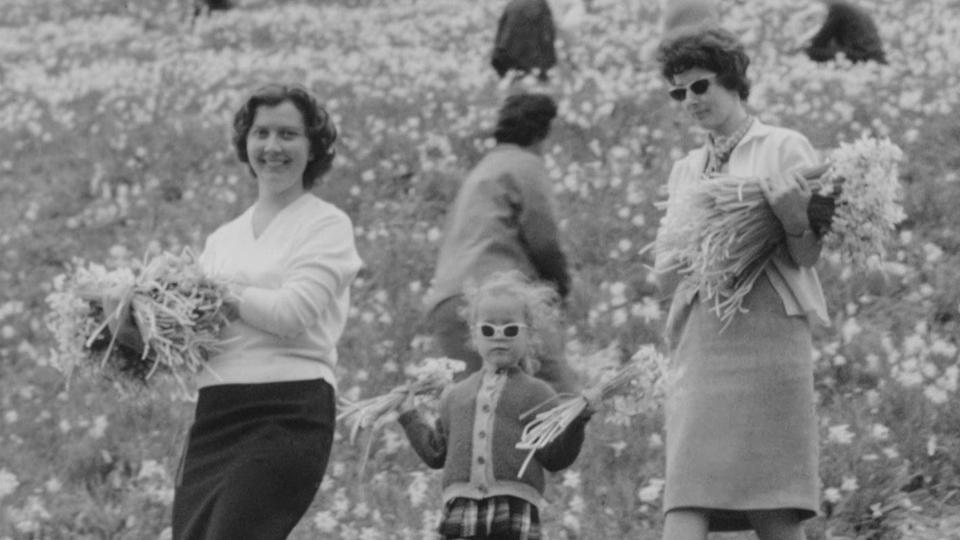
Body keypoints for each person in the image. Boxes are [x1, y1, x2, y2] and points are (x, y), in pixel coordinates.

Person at [653, 26, 829, 540]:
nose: (689, 100)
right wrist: (691, 248)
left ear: (732, 80)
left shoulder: (783, 147)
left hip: (768, 335)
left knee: (775, 505)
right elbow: (664, 273)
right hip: (702, 336)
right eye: (678, 92)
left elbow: (807, 255)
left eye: (699, 86)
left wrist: (792, 217)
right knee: (687, 490)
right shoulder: (686, 169)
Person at [171, 84, 363, 540]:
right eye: (261, 133)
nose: (272, 147)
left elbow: (292, 314)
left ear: (313, 145)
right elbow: (196, 333)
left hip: (287, 412)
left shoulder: (326, 224)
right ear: (246, 142)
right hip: (217, 412)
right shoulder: (222, 239)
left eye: (288, 134)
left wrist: (220, 293)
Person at [398, 271, 597, 540]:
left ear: (529, 335)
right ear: (474, 335)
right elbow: (435, 454)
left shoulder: (538, 394)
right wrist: (409, 415)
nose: (499, 336)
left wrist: (577, 422)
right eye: (488, 329)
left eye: (511, 329)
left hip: (514, 507)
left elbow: (555, 457)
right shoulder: (455, 396)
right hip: (461, 509)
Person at [423, 93, 578, 394]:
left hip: (448, 302)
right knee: (557, 396)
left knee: (475, 408)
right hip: (499, 296)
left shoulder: (481, 170)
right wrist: (561, 286)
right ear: (542, 133)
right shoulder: (525, 164)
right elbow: (543, 240)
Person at [800, 0, 886, 64]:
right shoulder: (850, 6)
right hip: (876, 57)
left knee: (811, 51)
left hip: (863, 57)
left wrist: (803, 48)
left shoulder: (838, 8)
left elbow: (820, 40)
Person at [491, 0, 558, 81]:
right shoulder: (540, 4)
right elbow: (548, 34)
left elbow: (500, 37)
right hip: (533, 66)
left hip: (511, 64)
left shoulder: (511, 5)